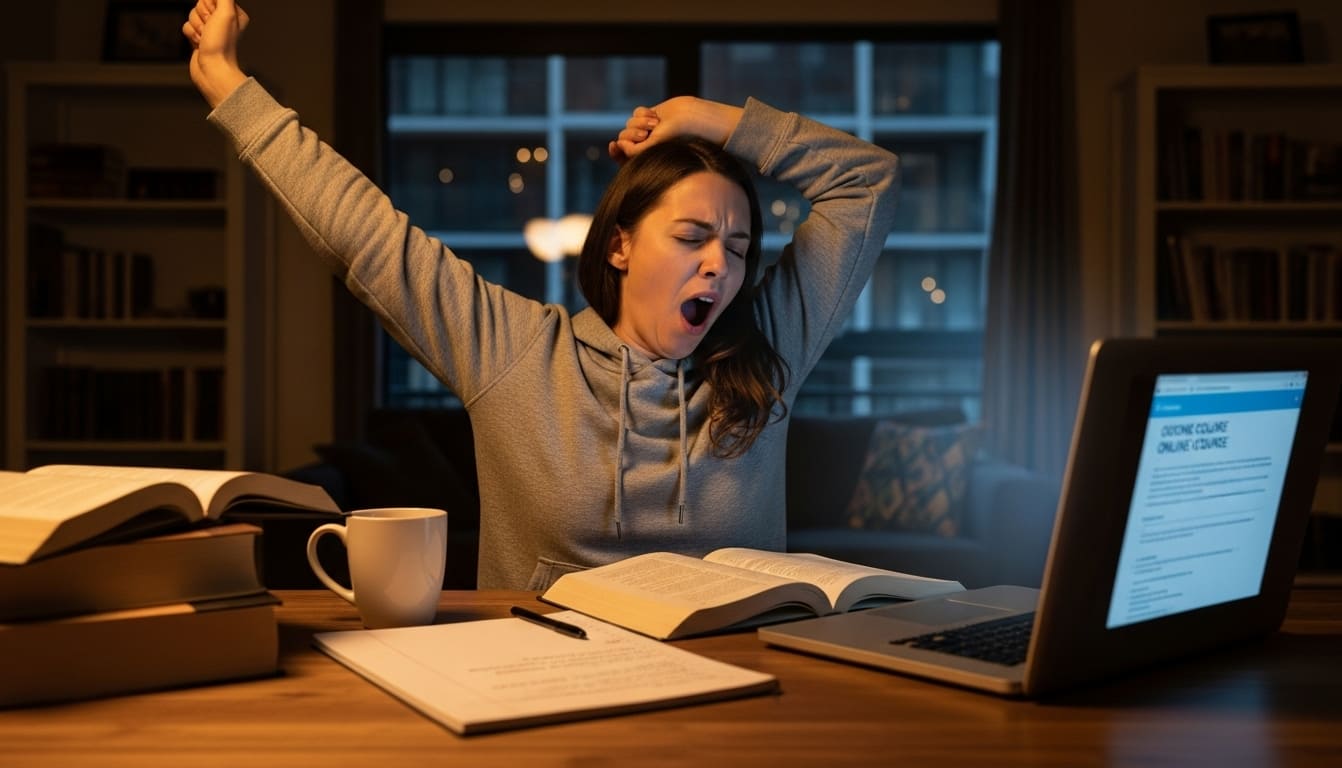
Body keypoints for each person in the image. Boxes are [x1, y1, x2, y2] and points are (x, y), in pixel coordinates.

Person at [182, 0, 899, 589]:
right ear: (619, 245)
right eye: (692, 238)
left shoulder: (768, 349)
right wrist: (225, 83)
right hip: (550, 684)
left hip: (737, 688)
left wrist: (709, 120)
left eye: (739, 249)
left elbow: (867, 183)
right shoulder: (517, 351)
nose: (721, 266)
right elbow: (364, 235)